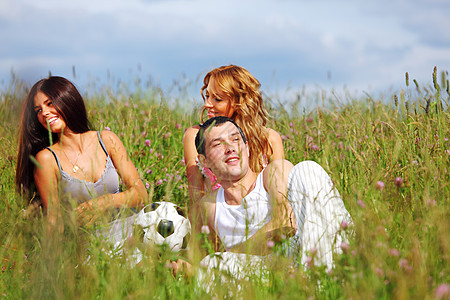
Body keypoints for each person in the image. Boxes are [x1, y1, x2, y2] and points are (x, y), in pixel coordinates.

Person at [191, 116, 352, 273]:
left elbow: (286, 224)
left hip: (311, 247)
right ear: (204, 161)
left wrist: (231, 254)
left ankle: (322, 277)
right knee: (211, 264)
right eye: (218, 144)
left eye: (235, 140)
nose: (230, 148)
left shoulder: (273, 173)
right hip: (270, 272)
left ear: (247, 149)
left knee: (307, 169)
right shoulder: (208, 207)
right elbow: (195, 258)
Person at [15, 76, 147, 228]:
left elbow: (141, 194)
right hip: (94, 244)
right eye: (38, 110)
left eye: (49, 103)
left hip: (131, 229)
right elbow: (54, 220)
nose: (44, 113)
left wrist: (101, 203)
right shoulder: (46, 159)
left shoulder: (106, 140)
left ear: (67, 99)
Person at [183, 65, 285, 216]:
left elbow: (282, 195)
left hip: (264, 218)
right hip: (219, 221)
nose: (207, 104)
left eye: (217, 99)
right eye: (207, 96)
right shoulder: (195, 136)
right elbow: (196, 199)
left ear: (240, 102)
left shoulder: (269, 139)